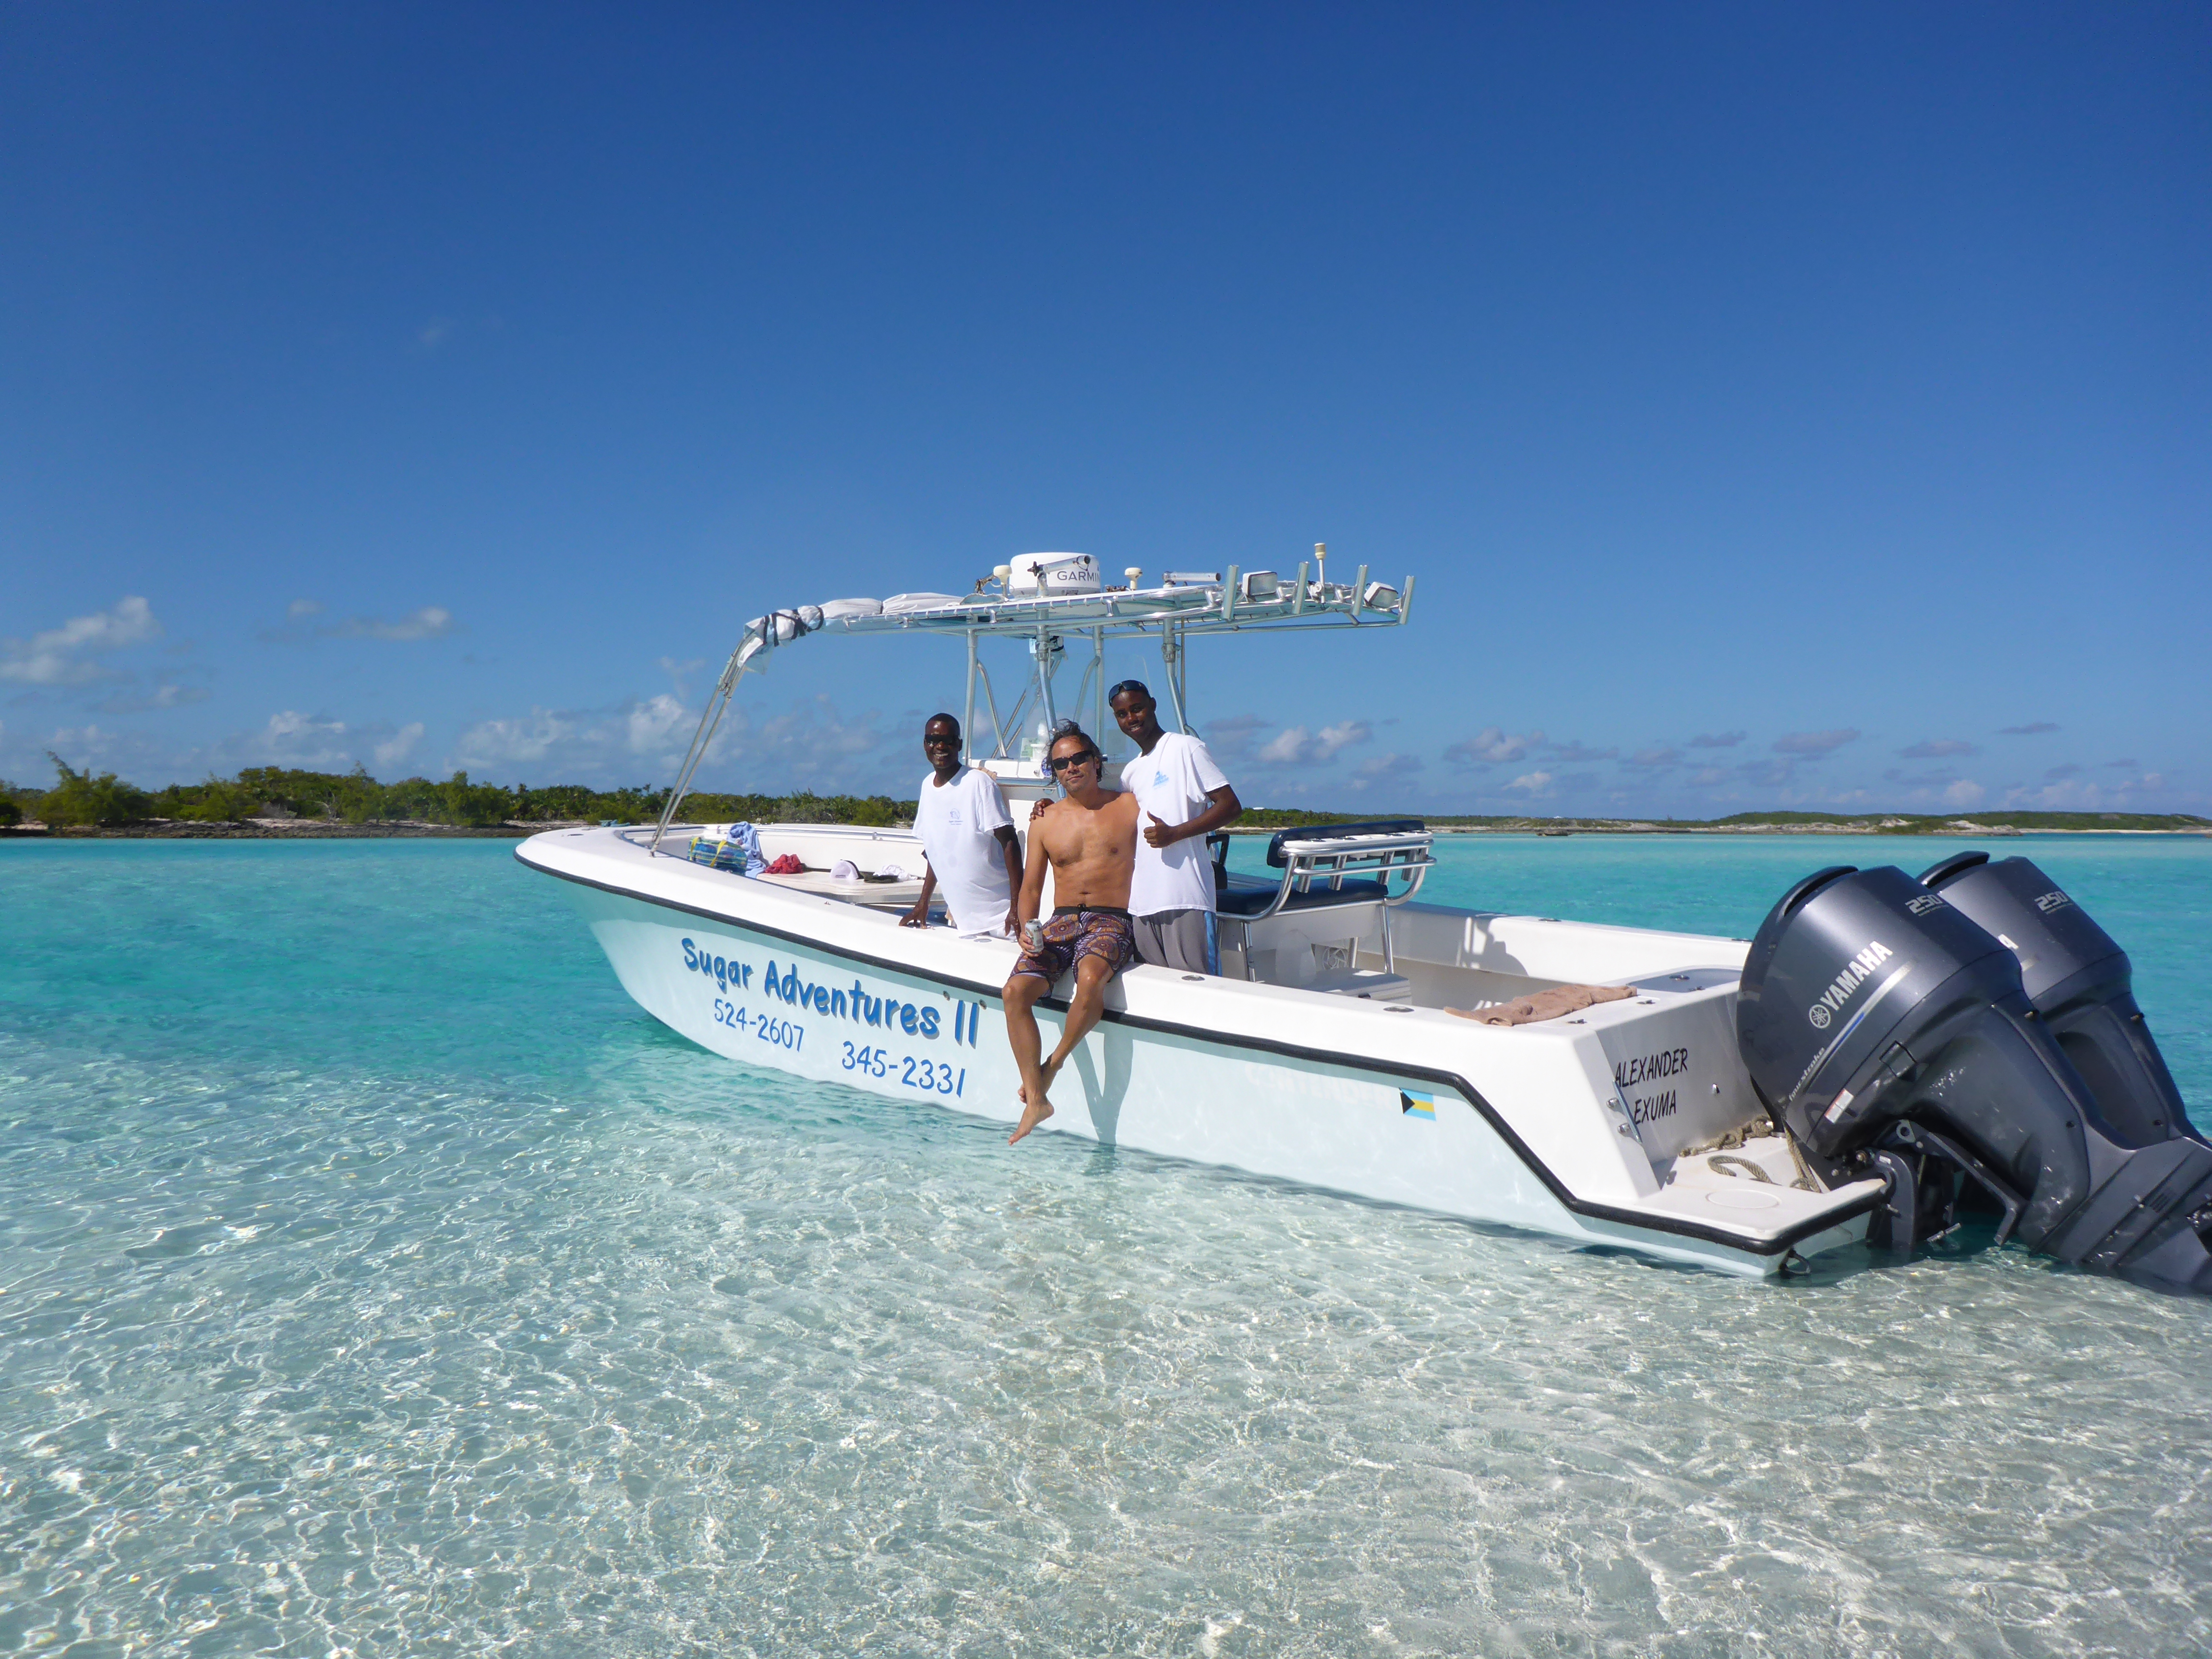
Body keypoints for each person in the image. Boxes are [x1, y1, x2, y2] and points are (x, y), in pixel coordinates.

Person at [1036, 679, 1243, 974]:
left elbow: (1231, 806)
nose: (1131, 718)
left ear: (1153, 706)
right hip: (1141, 907)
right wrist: (1048, 803)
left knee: (1198, 989)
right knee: (1157, 994)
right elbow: (1096, 801)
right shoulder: (1132, 773)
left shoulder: (1186, 748)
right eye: (1122, 714)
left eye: (1137, 709)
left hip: (1185, 897)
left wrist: (1175, 834)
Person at [1003, 721, 1141, 1145]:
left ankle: (1052, 1066)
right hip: (1061, 920)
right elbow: (1030, 888)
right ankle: (1037, 1100)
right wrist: (1028, 929)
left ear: (1097, 761)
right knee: (1014, 993)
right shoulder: (1045, 820)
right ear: (1054, 772)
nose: (1071, 767)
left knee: (1089, 978)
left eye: (1079, 758)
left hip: (1111, 918)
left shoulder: (1131, 806)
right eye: (1060, 763)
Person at [902, 713, 1023, 935]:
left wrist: (1016, 908)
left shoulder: (979, 783)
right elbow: (934, 851)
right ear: (925, 745)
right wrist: (923, 903)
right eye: (932, 740)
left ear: (959, 744)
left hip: (1002, 921)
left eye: (948, 740)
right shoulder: (927, 786)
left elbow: (1010, 842)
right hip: (964, 923)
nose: (940, 746)